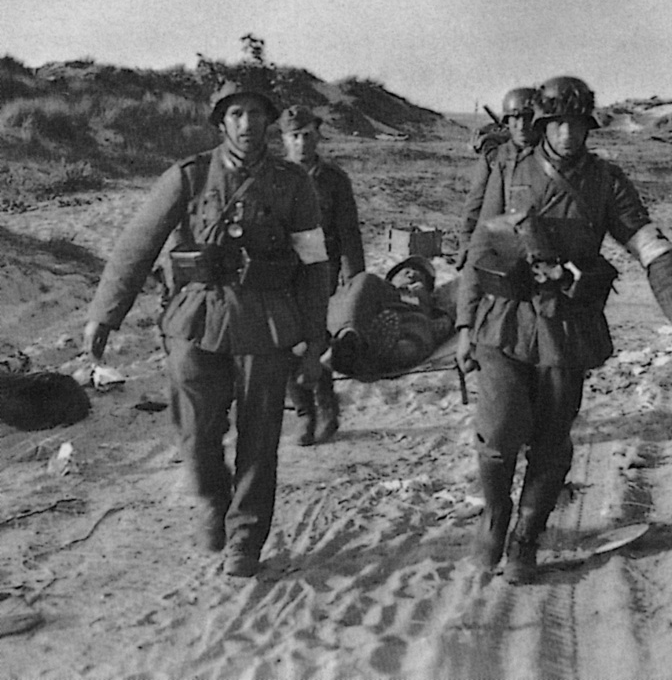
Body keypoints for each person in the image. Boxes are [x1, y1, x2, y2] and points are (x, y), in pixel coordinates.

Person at [456, 75, 672, 583]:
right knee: (499, 432)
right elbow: (479, 250)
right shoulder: (510, 168)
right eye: (558, 124)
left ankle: (526, 537)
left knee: (552, 440)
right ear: (543, 124)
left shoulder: (606, 182)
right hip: (505, 321)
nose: (568, 134)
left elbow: (651, 248)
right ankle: (495, 517)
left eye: (578, 124)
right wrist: (465, 323)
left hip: (566, 329)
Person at [83, 76, 330, 578]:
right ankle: (213, 501)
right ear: (221, 122)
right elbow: (138, 244)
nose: (247, 123)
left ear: (269, 122)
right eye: (236, 114)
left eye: (256, 114)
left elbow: (313, 264)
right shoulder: (190, 176)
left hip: (265, 321)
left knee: (260, 438)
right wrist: (105, 314)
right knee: (196, 433)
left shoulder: (292, 183)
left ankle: (246, 538)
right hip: (197, 318)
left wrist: (313, 337)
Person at [280, 104, 365, 446]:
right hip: (282, 270)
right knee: (286, 342)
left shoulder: (334, 179)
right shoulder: (274, 176)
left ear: (317, 137)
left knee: (317, 338)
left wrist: (355, 281)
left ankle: (326, 406)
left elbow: (348, 232)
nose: (302, 143)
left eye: (307, 135)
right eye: (294, 136)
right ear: (284, 140)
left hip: (322, 271)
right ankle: (305, 413)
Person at [324, 256, 456, 379]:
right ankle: (349, 341)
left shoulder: (429, 304)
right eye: (406, 271)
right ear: (392, 277)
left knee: (416, 337)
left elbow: (444, 324)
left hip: (407, 329)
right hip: (371, 321)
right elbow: (349, 302)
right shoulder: (376, 287)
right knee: (365, 280)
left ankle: (369, 357)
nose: (412, 274)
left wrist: (426, 302)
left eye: (420, 276)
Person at [455, 87, 539, 270]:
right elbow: (475, 203)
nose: (522, 126)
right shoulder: (496, 157)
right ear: (507, 122)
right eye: (515, 119)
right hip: (501, 247)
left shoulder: (551, 159)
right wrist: (466, 241)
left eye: (528, 118)